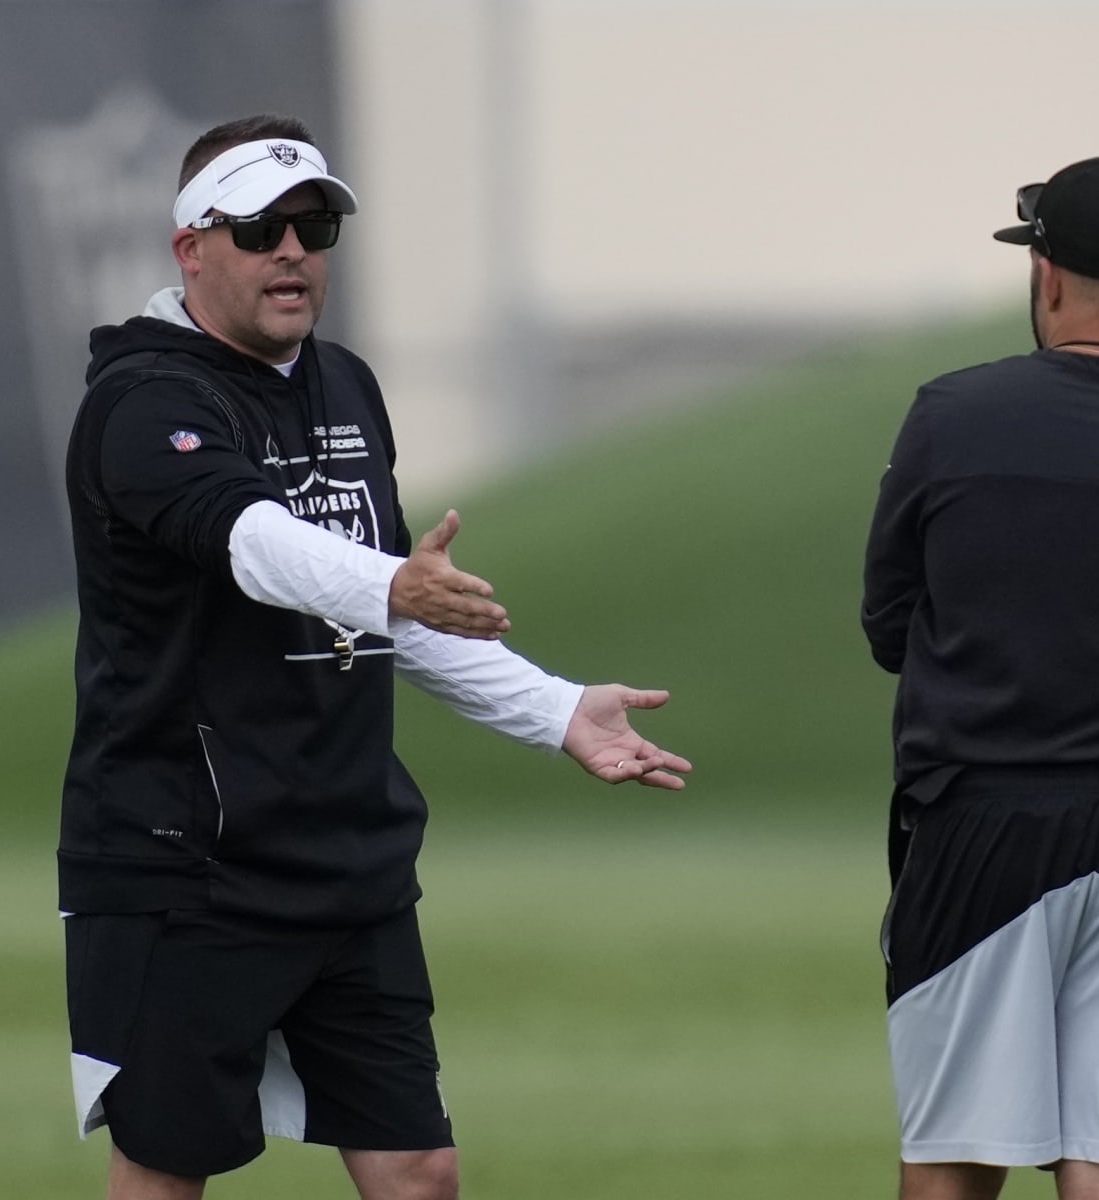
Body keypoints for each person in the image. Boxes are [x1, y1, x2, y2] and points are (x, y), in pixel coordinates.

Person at [59, 113, 693, 1199]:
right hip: (187, 865)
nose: (293, 251)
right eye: (260, 229)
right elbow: (253, 542)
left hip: (348, 857)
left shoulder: (345, 384)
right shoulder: (143, 400)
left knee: (418, 1169)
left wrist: (554, 710)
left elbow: (399, 609)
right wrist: (389, 582)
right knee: (167, 1170)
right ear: (191, 248)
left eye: (314, 228)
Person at [863, 156, 1099, 1200]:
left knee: (954, 1158)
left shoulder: (952, 414)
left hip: (983, 824)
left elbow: (890, 627)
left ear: (1048, 274)